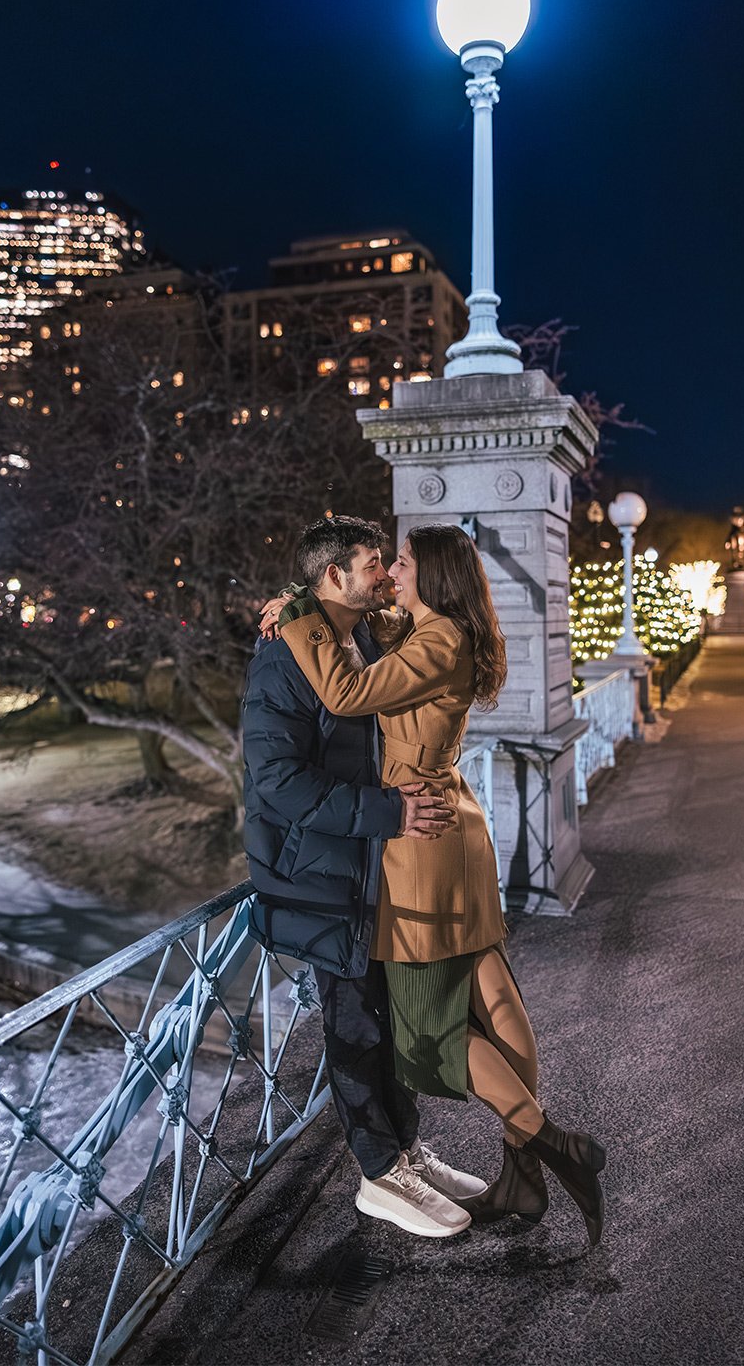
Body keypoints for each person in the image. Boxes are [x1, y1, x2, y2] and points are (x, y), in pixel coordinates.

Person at [266, 523, 609, 1245]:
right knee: (492, 994)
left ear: (434, 574)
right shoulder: (438, 630)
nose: (391, 571)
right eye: (382, 562)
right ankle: (521, 1176)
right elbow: (380, 627)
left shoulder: (438, 639)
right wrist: (303, 600)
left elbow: (349, 689)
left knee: (427, 1032)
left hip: (417, 841)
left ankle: (552, 1145)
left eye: (402, 561)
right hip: (452, 826)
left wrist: (297, 614)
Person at [240, 516, 486, 1239]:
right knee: (352, 1026)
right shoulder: (281, 661)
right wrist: (387, 812)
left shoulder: (366, 637)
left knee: (390, 1015)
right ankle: (379, 1174)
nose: (384, 575)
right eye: (373, 564)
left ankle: (406, 1149)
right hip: (321, 872)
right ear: (334, 578)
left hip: (372, 864)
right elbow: (277, 782)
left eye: (387, 563)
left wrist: (289, 600)